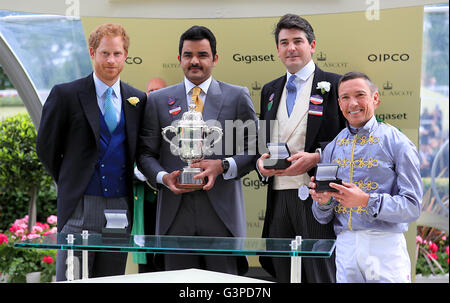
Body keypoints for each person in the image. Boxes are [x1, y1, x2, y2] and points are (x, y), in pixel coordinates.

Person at [137, 25, 257, 275]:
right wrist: (164, 177)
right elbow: (145, 154)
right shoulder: (158, 100)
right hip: (174, 215)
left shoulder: (237, 96)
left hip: (222, 216)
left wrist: (222, 165)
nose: (195, 61)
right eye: (188, 55)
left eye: (202, 55)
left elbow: (255, 149)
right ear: (179, 59)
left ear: (214, 58)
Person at [36, 23, 147, 281]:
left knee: (110, 278)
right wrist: (71, 180)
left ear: (126, 55)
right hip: (78, 205)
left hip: (120, 206)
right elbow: (46, 148)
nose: (111, 60)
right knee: (71, 277)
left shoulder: (137, 99)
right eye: (105, 53)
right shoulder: (65, 94)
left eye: (117, 54)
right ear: (92, 52)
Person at [255, 14, 346, 283]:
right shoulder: (270, 90)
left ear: (312, 45)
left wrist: (317, 157)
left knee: (319, 274)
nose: (291, 48)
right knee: (281, 271)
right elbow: (264, 141)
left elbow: (349, 142)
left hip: (319, 194)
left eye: (298, 41)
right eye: (284, 42)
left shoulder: (335, 84)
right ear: (278, 50)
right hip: (279, 197)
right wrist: (262, 165)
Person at [310, 72, 422, 283]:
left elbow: (412, 206)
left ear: (375, 98)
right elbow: (322, 216)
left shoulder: (397, 143)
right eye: (345, 97)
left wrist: (366, 201)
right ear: (339, 103)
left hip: (384, 245)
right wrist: (323, 203)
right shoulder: (333, 147)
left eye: (360, 95)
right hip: (345, 246)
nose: (352, 103)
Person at [132, 78, 167, 273]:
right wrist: (138, 171)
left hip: (168, 199)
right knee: (145, 266)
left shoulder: (176, 121)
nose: (153, 95)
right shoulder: (135, 121)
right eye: (150, 90)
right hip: (144, 202)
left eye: (158, 91)